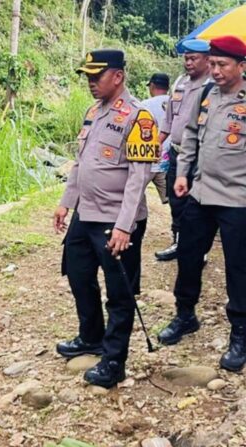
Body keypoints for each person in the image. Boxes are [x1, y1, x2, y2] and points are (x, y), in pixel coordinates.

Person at [53, 50, 160, 388]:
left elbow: (138, 179)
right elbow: (80, 164)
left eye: (96, 77)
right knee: (77, 274)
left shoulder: (139, 118)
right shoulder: (92, 113)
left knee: (119, 292)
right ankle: (91, 337)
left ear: (117, 76)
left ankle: (114, 361)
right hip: (85, 214)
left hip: (117, 219)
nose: (90, 83)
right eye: (87, 76)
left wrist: (125, 226)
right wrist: (65, 203)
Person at [157, 36, 246, 372]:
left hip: (238, 198)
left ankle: (240, 332)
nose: (216, 70)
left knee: (238, 267)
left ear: (242, 66)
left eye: (223, 64)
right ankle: (185, 315)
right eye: (213, 64)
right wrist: (183, 172)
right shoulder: (207, 95)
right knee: (189, 255)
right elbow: (191, 135)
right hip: (201, 193)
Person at [155, 39, 211, 261]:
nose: (188, 63)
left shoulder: (212, 87)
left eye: (193, 58)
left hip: (199, 155)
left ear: (207, 60)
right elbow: (169, 119)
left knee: (195, 202)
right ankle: (178, 242)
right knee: (176, 199)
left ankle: (199, 250)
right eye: (186, 58)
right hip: (176, 152)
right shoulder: (180, 82)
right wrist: (157, 143)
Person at [142, 73, 171, 204]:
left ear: (152, 85)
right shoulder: (176, 102)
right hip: (169, 160)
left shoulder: (145, 105)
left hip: (147, 159)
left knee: (133, 196)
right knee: (174, 203)